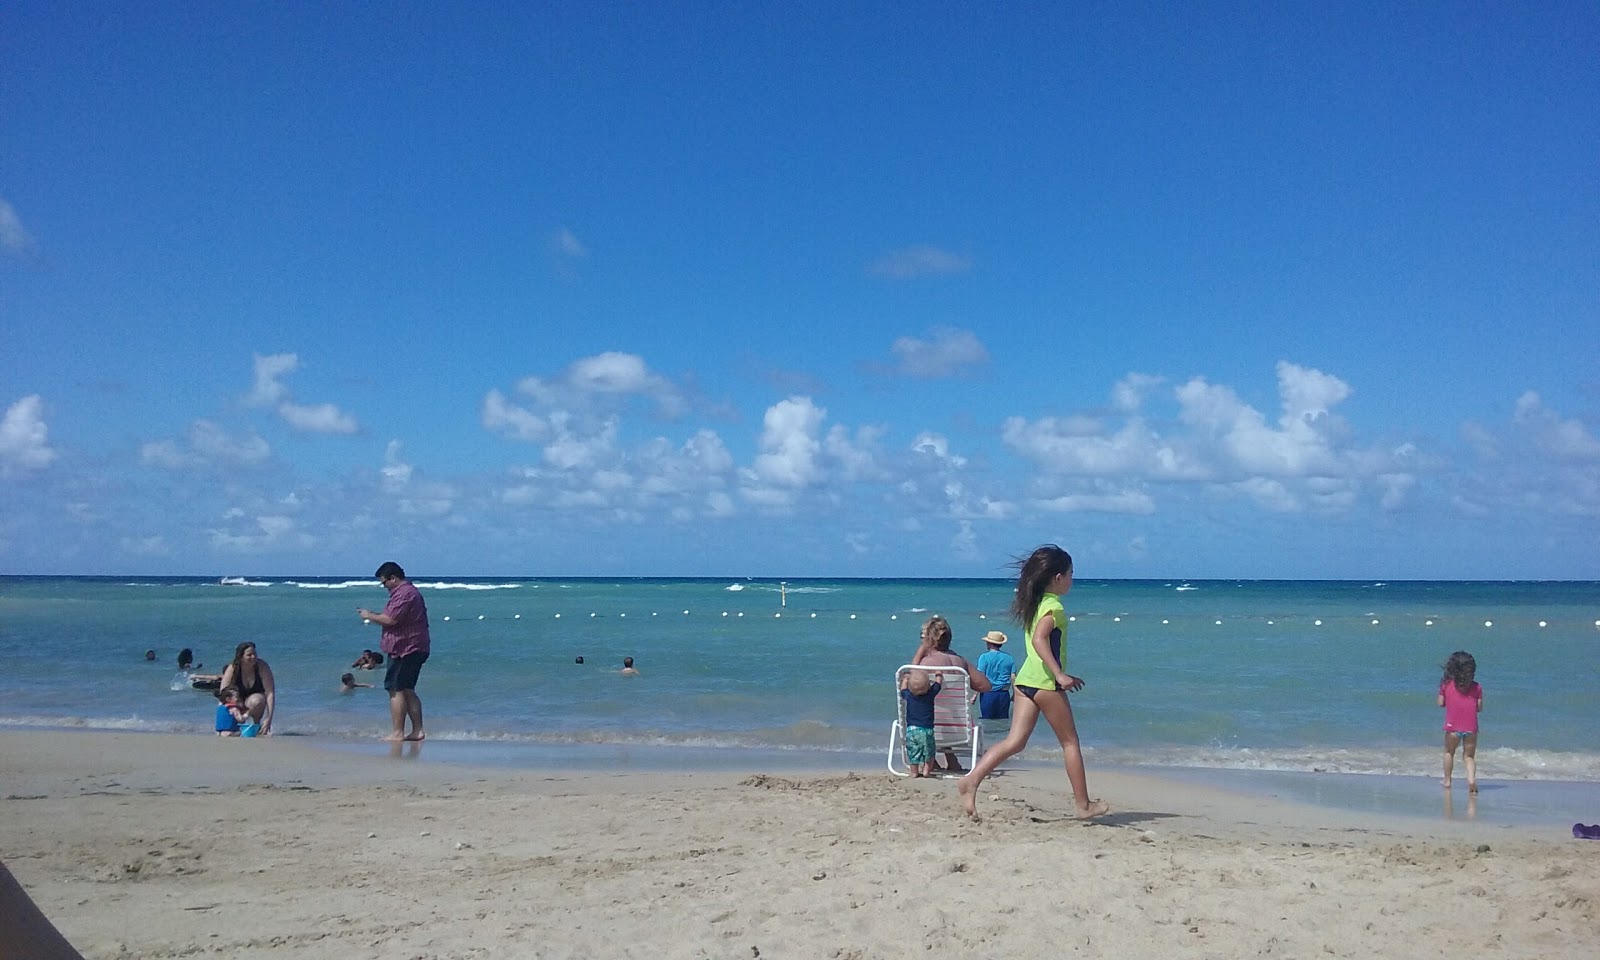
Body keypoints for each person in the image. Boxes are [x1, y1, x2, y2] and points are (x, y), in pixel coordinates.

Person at [957, 545, 1110, 822]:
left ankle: (971, 780)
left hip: (1025, 681)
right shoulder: (1054, 606)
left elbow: (1040, 645)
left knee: (1014, 742)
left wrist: (1062, 673)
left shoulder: (1036, 603)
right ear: (1057, 577)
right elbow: (1041, 641)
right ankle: (1083, 805)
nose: (1073, 579)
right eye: (1071, 574)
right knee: (1070, 743)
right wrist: (1060, 675)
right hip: (1044, 684)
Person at [357, 562, 430, 742]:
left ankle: (398, 732)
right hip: (410, 647)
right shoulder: (407, 593)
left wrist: (368, 615)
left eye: (384, 583)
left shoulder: (405, 594)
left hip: (406, 649)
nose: (384, 587)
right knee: (407, 689)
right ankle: (417, 730)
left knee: (396, 689)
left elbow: (390, 620)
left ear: (393, 578)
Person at [910, 615, 991, 772]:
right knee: (945, 711)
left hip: (930, 726)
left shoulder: (927, 663)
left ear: (928, 639)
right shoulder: (959, 662)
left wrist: (921, 650)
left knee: (928, 708)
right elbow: (986, 686)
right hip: (959, 726)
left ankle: (931, 761)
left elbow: (913, 679)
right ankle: (951, 759)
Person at [1438, 650, 1483, 793]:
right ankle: (1471, 781)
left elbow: (1440, 703)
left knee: (1449, 752)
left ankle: (1447, 780)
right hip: (1471, 728)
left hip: (1452, 728)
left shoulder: (1446, 685)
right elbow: (1479, 708)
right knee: (1469, 756)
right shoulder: (1476, 687)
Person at [217, 642, 276, 735]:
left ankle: (253, 727)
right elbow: (222, 696)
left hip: (253, 704)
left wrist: (269, 718)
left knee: (257, 700)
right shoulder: (233, 668)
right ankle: (235, 727)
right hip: (236, 705)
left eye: (255, 654)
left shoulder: (262, 667)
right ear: (240, 657)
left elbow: (270, 693)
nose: (253, 657)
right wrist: (220, 725)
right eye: (249, 655)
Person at [899, 669, 942, 778]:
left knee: (913, 752)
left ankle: (914, 772)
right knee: (929, 752)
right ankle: (926, 770)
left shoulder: (908, 695)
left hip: (912, 730)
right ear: (928, 686)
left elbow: (903, 689)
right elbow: (938, 685)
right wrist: (938, 675)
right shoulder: (930, 694)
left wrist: (905, 679)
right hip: (927, 730)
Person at [975, 630, 1016, 720]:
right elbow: (1013, 677)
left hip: (987, 694)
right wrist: (1015, 694)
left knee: (987, 721)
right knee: (1003, 721)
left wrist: (974, 695)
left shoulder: (984, 657)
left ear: (989, 643)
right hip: (1004, 694)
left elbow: (981, 676)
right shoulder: (1009, 658)